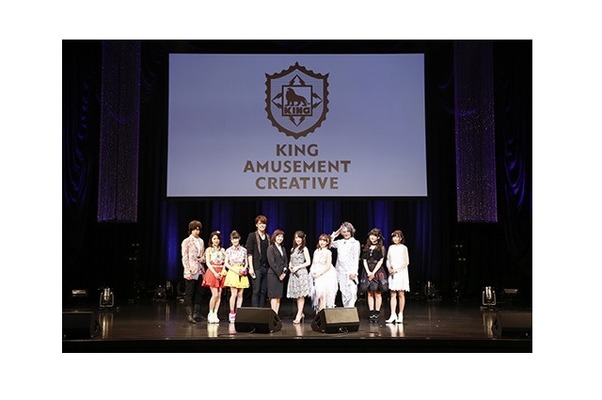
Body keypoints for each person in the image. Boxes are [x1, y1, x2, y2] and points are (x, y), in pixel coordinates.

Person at [360, 228, 387, 323]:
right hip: (367, 269)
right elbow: (364, 260)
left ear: (378, 237)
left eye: (374, 235)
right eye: (371, 235)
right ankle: (371, 312)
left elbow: (381, 261)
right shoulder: (366, 247)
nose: (372, 237)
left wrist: (373, 272)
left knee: (377, 292)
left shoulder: (381, 248)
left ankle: (377, 313)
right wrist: (368, 272)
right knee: (369, 292)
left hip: (377, 270)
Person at [330, 222, 361, 307]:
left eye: (348, 231)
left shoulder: (355, 243)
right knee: (344, 292)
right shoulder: (340, 242)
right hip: (340, 270)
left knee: (352, 292)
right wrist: (336, 233)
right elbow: (329, 242)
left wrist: (354, 272)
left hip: (350, 271)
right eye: (344, 232)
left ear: (351, 232)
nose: (346, 233)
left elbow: (356, 258)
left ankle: (351, 309)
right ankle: (346, 310)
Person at [181, 220, 205, 324]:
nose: (197, 231)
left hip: (200, 269)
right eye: (195, 229)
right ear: (191, 230)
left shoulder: (201, 241)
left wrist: (203, 259)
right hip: (191, 269)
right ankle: (189, 315)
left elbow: (203, 254)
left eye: (198, 229)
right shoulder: (186, 241)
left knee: (199, 292)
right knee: (189, 292)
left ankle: (197, 313)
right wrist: (187, 270)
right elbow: (184, 257)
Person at [224, 230, 249, 323]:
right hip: (233, 271)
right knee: (233, 294)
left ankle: (238, 312)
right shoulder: (228, 250)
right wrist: (234, 270)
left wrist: (244, 269)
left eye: (236, 238)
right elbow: (226, 263)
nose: (235, 241)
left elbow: (246, 262)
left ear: (239, 239)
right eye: (233, 239)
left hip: (241, 271)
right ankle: (232, 313)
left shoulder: (244, 250)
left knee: (240, 294)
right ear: (231, 240)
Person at [385, 230, 410, 324]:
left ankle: (400, 314)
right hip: (392, 273)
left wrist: (396, 269)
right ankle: (393, 314)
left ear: (401, 238)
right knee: (392, 294)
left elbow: (406, 262)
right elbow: (388, 259)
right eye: (394, 236)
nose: (395, 238)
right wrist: (389, 268)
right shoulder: (391, 247)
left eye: (397, 237)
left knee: (401, 294)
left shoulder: (404, 248)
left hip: (401, 272)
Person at [286, 230, 311, 324]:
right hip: (293, 274)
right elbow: (291, 260)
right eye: (296, 237)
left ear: (303, 239)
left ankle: (299, 315)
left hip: (301, 273)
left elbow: (308, 262)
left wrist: (298, 267)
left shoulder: (304, 248)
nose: (298, 239)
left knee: (301, 295)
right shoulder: (293, 249)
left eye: (300, 238)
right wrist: (290, 266)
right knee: (297, 295)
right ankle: (301, 312)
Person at [202, 231, 226, 323]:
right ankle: (210, 313)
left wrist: (223, 272)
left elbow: (225, 262)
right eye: (214, 238)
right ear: (211, 240)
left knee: (219, 295)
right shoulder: (209, 250)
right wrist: (215, 273)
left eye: (217, 238)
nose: (216, 240)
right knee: (215, 294)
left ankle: (215, 313)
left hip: (221, 271)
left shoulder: (223, 250)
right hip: (212, 272)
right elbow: (208, 263)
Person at [246, 215, 270, 308]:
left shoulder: (268, 237)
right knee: (256, 290)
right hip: (256, 267)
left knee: (264, 291)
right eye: (260, 223)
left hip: (266, 267)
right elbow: (249, 252)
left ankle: (261, 311)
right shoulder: (252, 236)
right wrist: (251, 267)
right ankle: (255, 311)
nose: (262, 225)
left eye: (264, 223)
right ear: (256, 225)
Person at [310, 233, 338, 311]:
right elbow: (313, 263)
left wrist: (319, 273)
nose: (322, 242)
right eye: (320, 240)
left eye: (324, 241)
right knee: (318, 295)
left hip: (325, 275)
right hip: (316, 273)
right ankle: (319, 312)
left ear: (327, 242)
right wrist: (312, 272)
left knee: (323, 295)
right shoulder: (316, 251)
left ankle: (323, 314)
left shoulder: (328, 252)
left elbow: (328, 265)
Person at [266, 229, 288, 315]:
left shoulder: (283, 248)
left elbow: (285, 262)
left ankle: (276, 315)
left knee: (278, 297)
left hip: (281, 275)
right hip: (273, 275)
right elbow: (272, 263)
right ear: (274, 237)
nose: (280, 238)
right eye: (278, 236)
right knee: (274, 297)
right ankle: (273, 315)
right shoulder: (271, 248)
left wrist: (284, 273)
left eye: (282, 236)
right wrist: (279, 274)